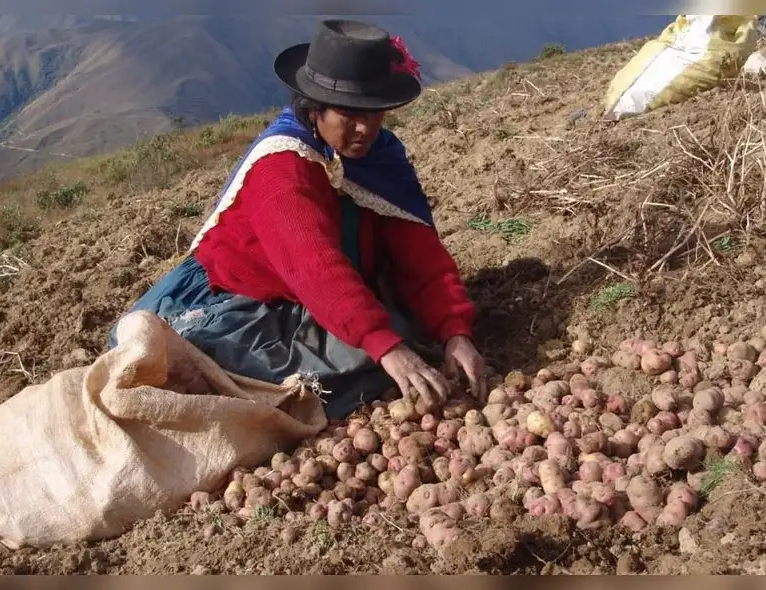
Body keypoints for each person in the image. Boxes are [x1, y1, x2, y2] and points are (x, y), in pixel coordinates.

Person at [108, 19, 486, 420]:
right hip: (252, 297)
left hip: (335, 288)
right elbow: (315, 267)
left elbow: (419, 249)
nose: (366, 128)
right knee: (332, 371)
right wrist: (386, 347)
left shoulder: (380, 153)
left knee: (398, 338)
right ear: (315, 109)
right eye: (349, 114)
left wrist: (456, 331)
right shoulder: (281, 167)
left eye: (375, 113)